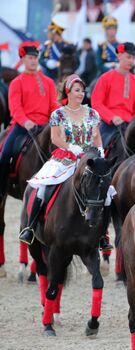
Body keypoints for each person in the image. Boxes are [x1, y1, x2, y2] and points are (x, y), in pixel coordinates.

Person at [19, 74, 104, 244]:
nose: (81, 94)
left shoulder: (92, 113)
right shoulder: (58, 114)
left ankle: (103, 235)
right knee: (41, 187)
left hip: (88, 158)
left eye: (83, 90)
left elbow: (97, 137)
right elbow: (55, 138)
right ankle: (30, 226)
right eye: (77, 90)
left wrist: (100, 151)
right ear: (68, 91)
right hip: (65, 157)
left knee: (106, 193)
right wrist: (71, 147)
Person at [0, 42, 57, 199]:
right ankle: (2, 188)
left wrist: (55, 121)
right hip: (22, 126)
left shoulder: (49, 82)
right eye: (30, 58)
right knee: (4, 153)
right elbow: (15, 108)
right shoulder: (16, 82)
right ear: (23, 60)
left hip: (46, 127)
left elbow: (54, 105)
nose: (33, 61)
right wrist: (26, 122)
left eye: (35, 58)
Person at [91, 42, 135, 147]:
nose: (131, 60)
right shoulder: (106, 78)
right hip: (109, 124)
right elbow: (96, 103)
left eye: (133, 58)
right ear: (119, 56)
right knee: (98, 153)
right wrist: (111, 117)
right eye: (128, 57)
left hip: (129, 125)